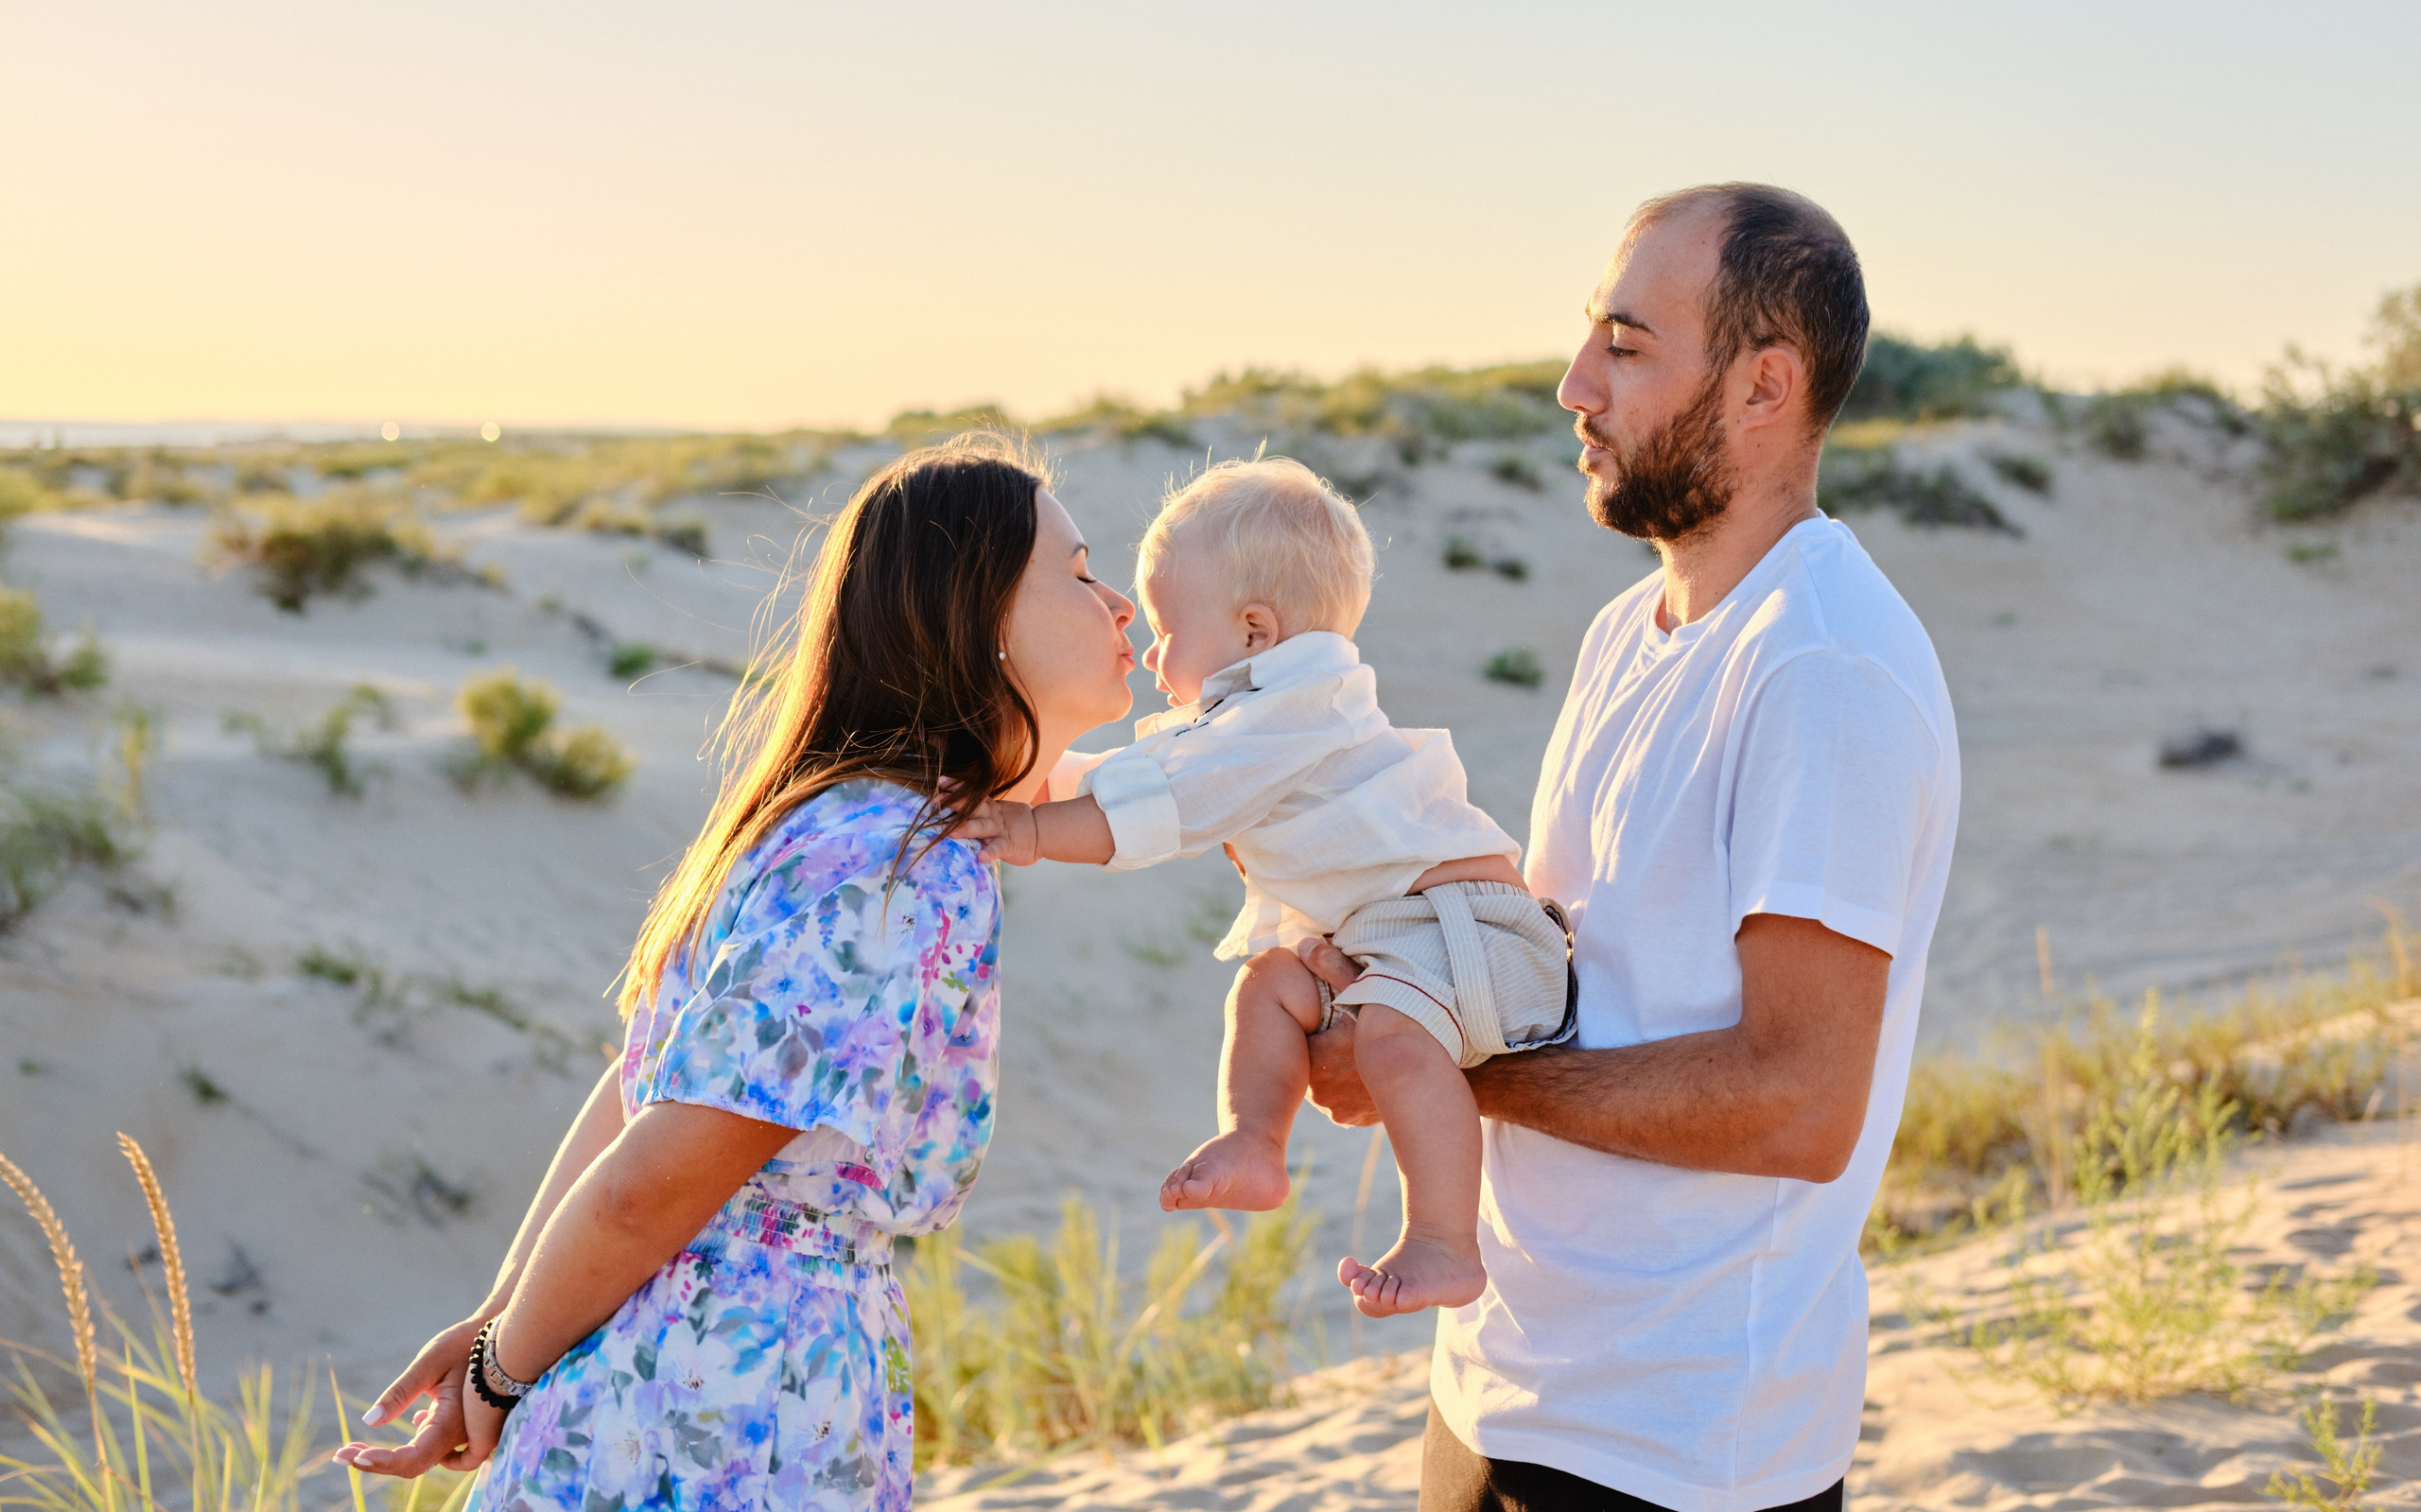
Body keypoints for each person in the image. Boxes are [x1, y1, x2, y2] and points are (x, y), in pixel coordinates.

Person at [1302, 184, 1962, 1512]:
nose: (1573, 385)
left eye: (1624, 341)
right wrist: (1393, 968)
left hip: (1679, 1444)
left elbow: (1798, 1099)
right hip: (1502, 1382)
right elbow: (1567, 971)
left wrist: (1452, 1075)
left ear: (1764, 384)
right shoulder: (1630, 630)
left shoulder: (1822, 665)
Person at [334, 433, 1138, 1512]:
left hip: (680, 1367)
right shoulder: (887, 862)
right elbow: (649, 1173)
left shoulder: (837, 821)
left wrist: (505, 1318)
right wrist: (501, 1360)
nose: (1120, 601)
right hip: (730, 1396)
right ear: (979, 618)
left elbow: (637, 1085)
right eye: (1081, 574)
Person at [961, 456, 1575, 1318]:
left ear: (1253, 628)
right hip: (1395, 937)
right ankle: (1256, 1141)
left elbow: (1160, 803)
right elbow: (1129, 776)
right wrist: (1021, 775)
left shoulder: (1299, 706)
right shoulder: (1255, 712)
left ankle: (1445, 1239)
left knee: (1393, 1036)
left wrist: (1026, 832)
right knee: (1268, 985)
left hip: (1473, 931)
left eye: (1169, 630)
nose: (1150, 645)